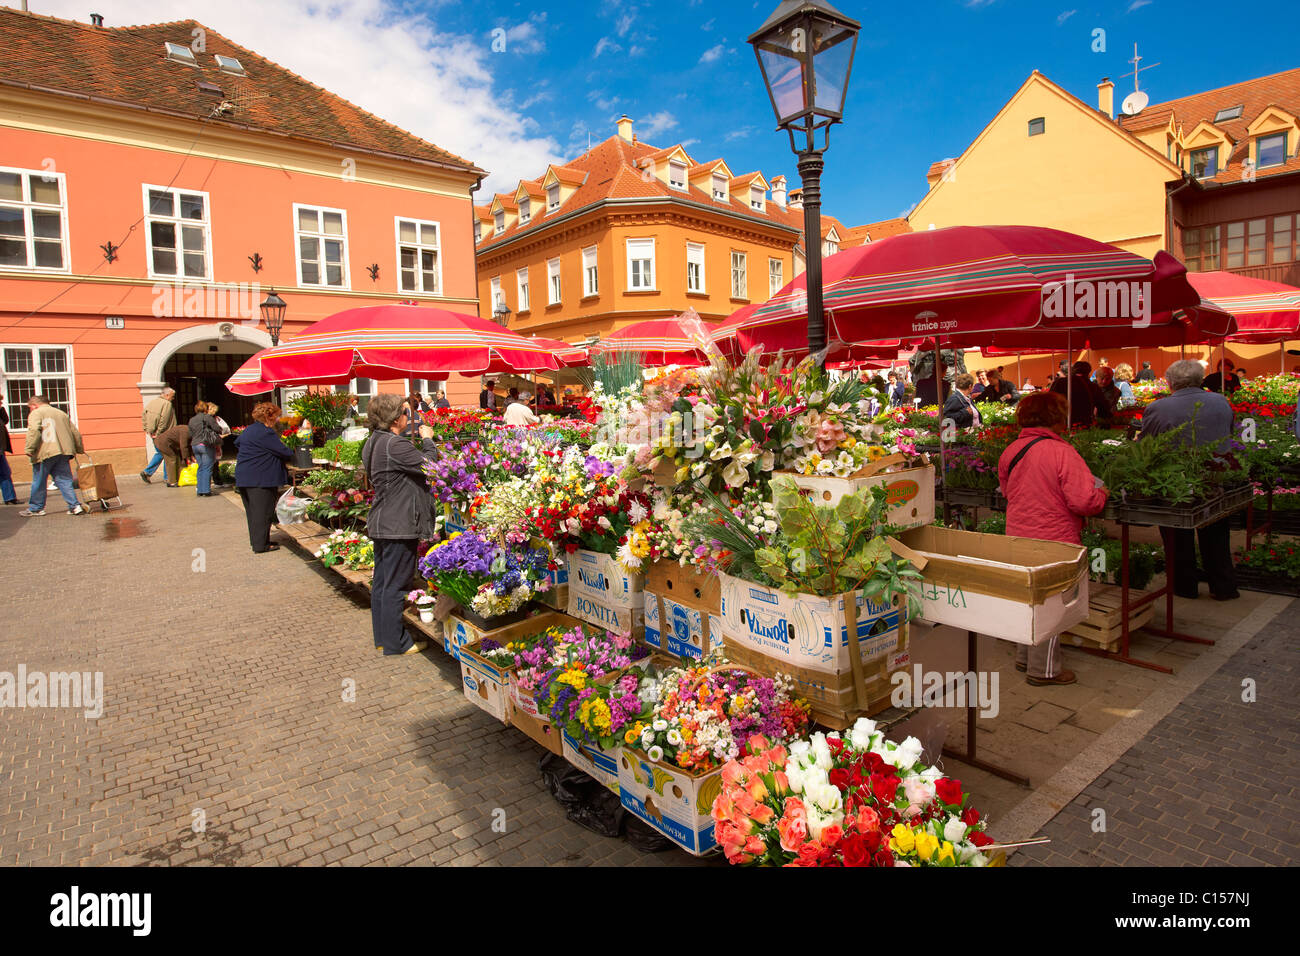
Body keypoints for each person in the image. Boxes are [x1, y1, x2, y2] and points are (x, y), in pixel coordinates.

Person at [998, 392, 1108, 686]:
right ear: (1058, 417)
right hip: (1054, 538)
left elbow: (1008, 492)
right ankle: (1044, 670)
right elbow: (1084, 501)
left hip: (1018, 534)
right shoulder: (1063, 453)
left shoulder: (1012, 450)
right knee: (1051, 604)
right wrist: (1103, 493)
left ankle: (1025, 657)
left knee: (1028, 599)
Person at [1140, 359, 1238, 601]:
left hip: (1175, 479)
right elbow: (1229, 432)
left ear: (1171, 382)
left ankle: (1185, 587)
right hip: (1215, 475)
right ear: (1201, 379)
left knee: (1176, 532)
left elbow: (1147, 446)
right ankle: (1223, 587)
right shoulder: (1220, 401)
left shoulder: (1158, 407)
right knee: (1215, 530)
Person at [362, 394, 435, 656]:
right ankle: (396, 643)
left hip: (383, 520)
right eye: (406, 413)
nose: (409, 417)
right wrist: (428, 439)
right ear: (396, 418)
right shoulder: (395, 445)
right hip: (398, 524)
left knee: (382, 583)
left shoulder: (373, 442)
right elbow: (432, 466)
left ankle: (384, 637)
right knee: (395, 584)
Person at [233, 402, 292, 554]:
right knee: (263, 512)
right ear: (268, 417)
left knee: (253, 512)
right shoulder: (265, 433)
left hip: (245, 476)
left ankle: (258, 541)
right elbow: (284, 452)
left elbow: (237, 442)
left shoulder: (250, 430)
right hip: (260, 478)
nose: (278, 420)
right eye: (277, 417)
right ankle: (261, 546)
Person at [21, 395, 85, 516]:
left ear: (35, 405)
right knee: (65, 480)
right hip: (64, 452)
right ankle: (75, 506)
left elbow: (34, 430)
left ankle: (36, 508)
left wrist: (30, 448)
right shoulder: (61, 413)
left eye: (30, 408)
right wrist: (79, 448)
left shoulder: (36, 413)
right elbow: (75, 433)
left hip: (45, 452)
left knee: (39, 481)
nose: (30, 410)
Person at [1050, 361, 1109, 427]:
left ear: (1073, 370)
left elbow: (1049, 401)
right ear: (1088, 372)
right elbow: (1103, 408)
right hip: (1084, 424)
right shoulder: (1092, 386)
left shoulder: (1060, 382)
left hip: (1062, 423)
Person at [140, 386, 177, 484]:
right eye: (172, 397)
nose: (172, 399)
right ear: (167, 395)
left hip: (153, 433)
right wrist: (159, 432)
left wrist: (147, 429)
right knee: (166, 453)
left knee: (162, 453)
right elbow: (164, 420)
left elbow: (144, 414)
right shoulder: (167, 404)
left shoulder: (152, 402)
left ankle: (154, 474)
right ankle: (160, 474)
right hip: (163, 434)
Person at [188, 401, 223, 498]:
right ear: (205, 409)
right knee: (207, 467)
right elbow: (217, 428)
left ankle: (200, 490)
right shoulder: (207, 417)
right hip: (205, 444)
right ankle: (206, 490)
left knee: (201, 467)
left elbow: (190, 434)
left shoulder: (192, 419)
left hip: (195, 445)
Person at [152, 423, 191, 488]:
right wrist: (187, 458)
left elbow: (187, 445)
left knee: (177, 459)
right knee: (172, 459)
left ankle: (178, 479)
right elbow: (183, 446)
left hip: (168, 444)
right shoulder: (185, 431)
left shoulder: (187, 430)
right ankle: (172, 482)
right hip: (163, 443)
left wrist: (189, 456)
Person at [0, 398, 18, 504]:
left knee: (5, 473)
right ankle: (9, 498)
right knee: (4, 473)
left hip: (1, 450)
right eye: (0, 402)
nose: (2, 404)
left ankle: (10, 498)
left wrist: (1, 409)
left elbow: (6, 420)